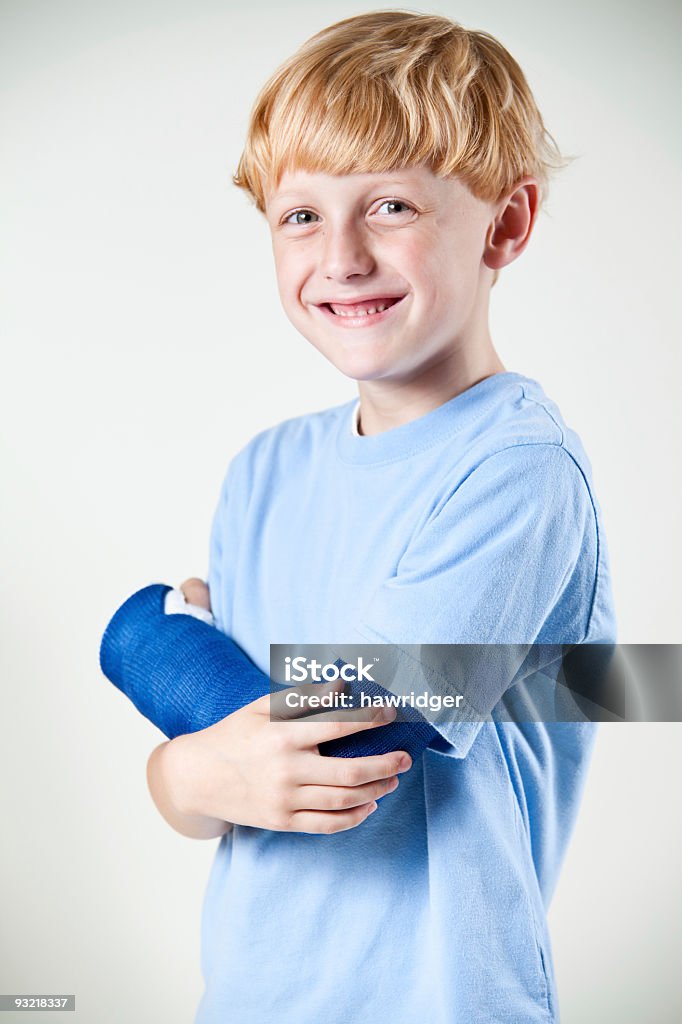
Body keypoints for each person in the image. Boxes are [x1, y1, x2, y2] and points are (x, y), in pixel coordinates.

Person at [102, 11, 616, 1022]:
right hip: (251, 995)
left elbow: (356, 732)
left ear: (506, 225)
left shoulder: (518, 466)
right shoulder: (263, 471)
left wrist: (146, 647)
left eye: (388, 206)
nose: (338, 257)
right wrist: (187, 765)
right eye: (299, 216)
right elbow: (242, 782)